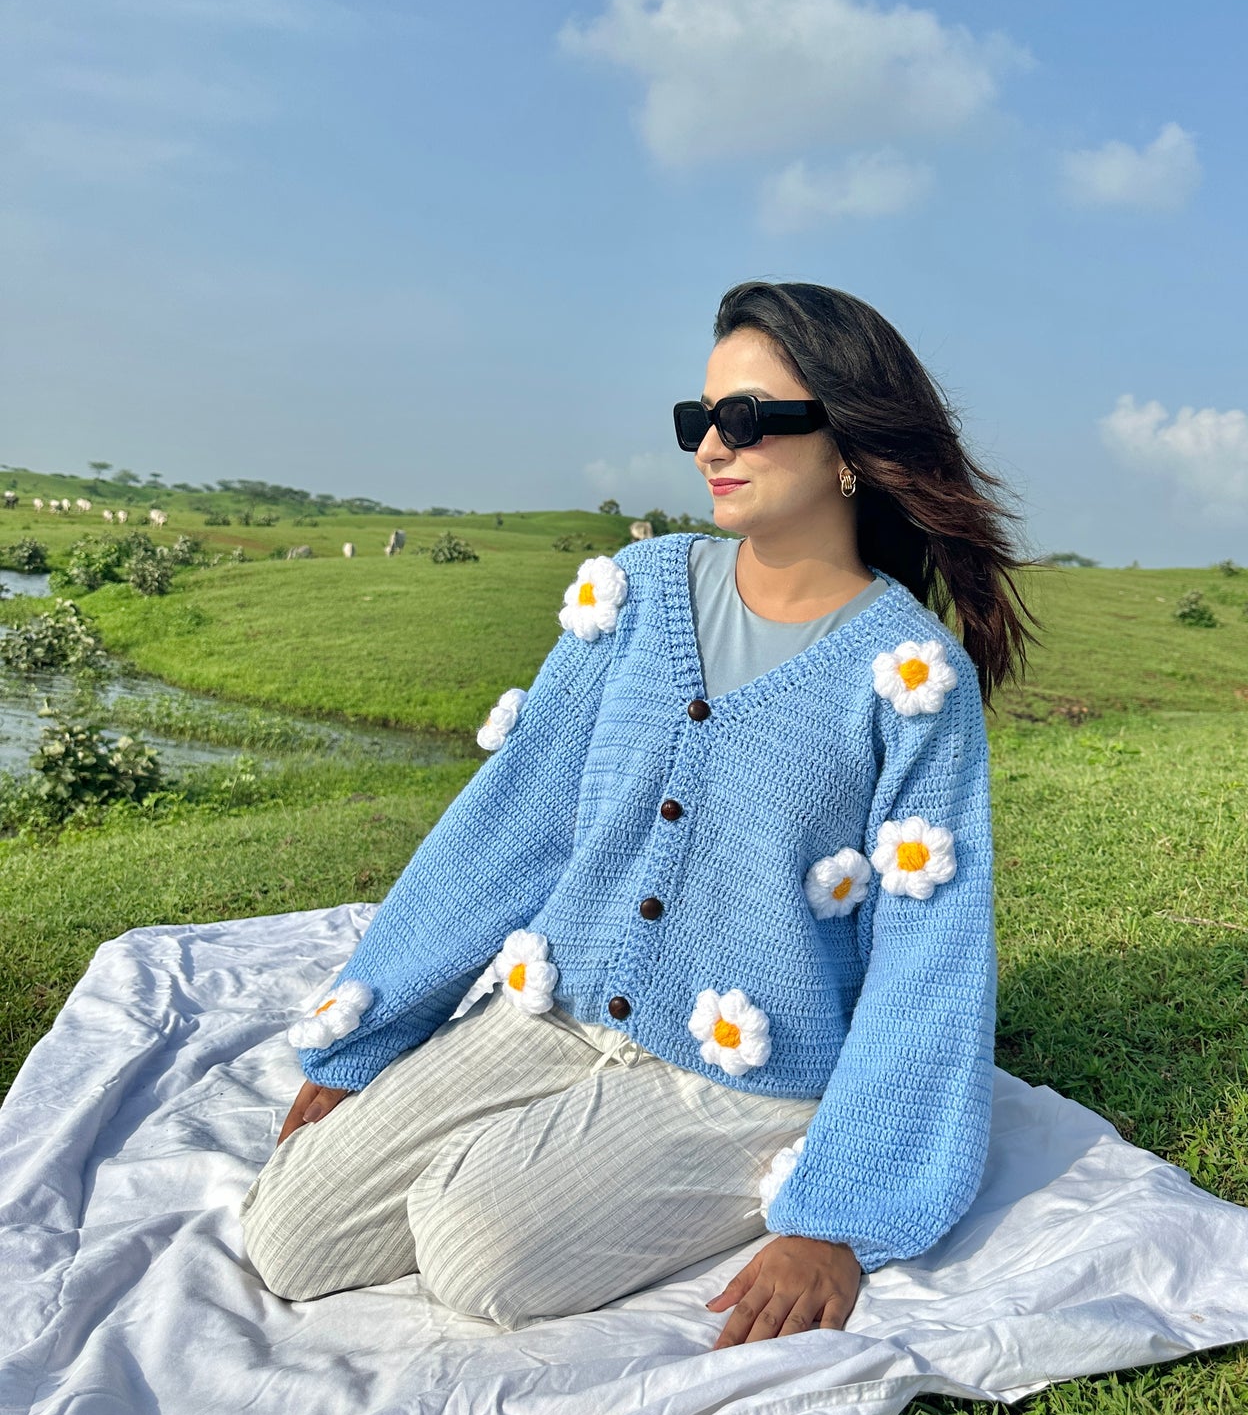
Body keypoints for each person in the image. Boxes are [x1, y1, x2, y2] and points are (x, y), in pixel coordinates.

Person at [239, 281, 1032, 1347]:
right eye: (697, 419)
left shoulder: (902, 674)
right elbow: (511, 821)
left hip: (748, 1072)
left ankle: (754, 1151)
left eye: (745, 420)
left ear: (846, 441)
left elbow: (925, 948)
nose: (711, 444)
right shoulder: (636, 592)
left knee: (471, 1249)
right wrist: (366, 1040)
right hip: (557, 1008)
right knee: (290, 1230)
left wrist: (835, 1219)